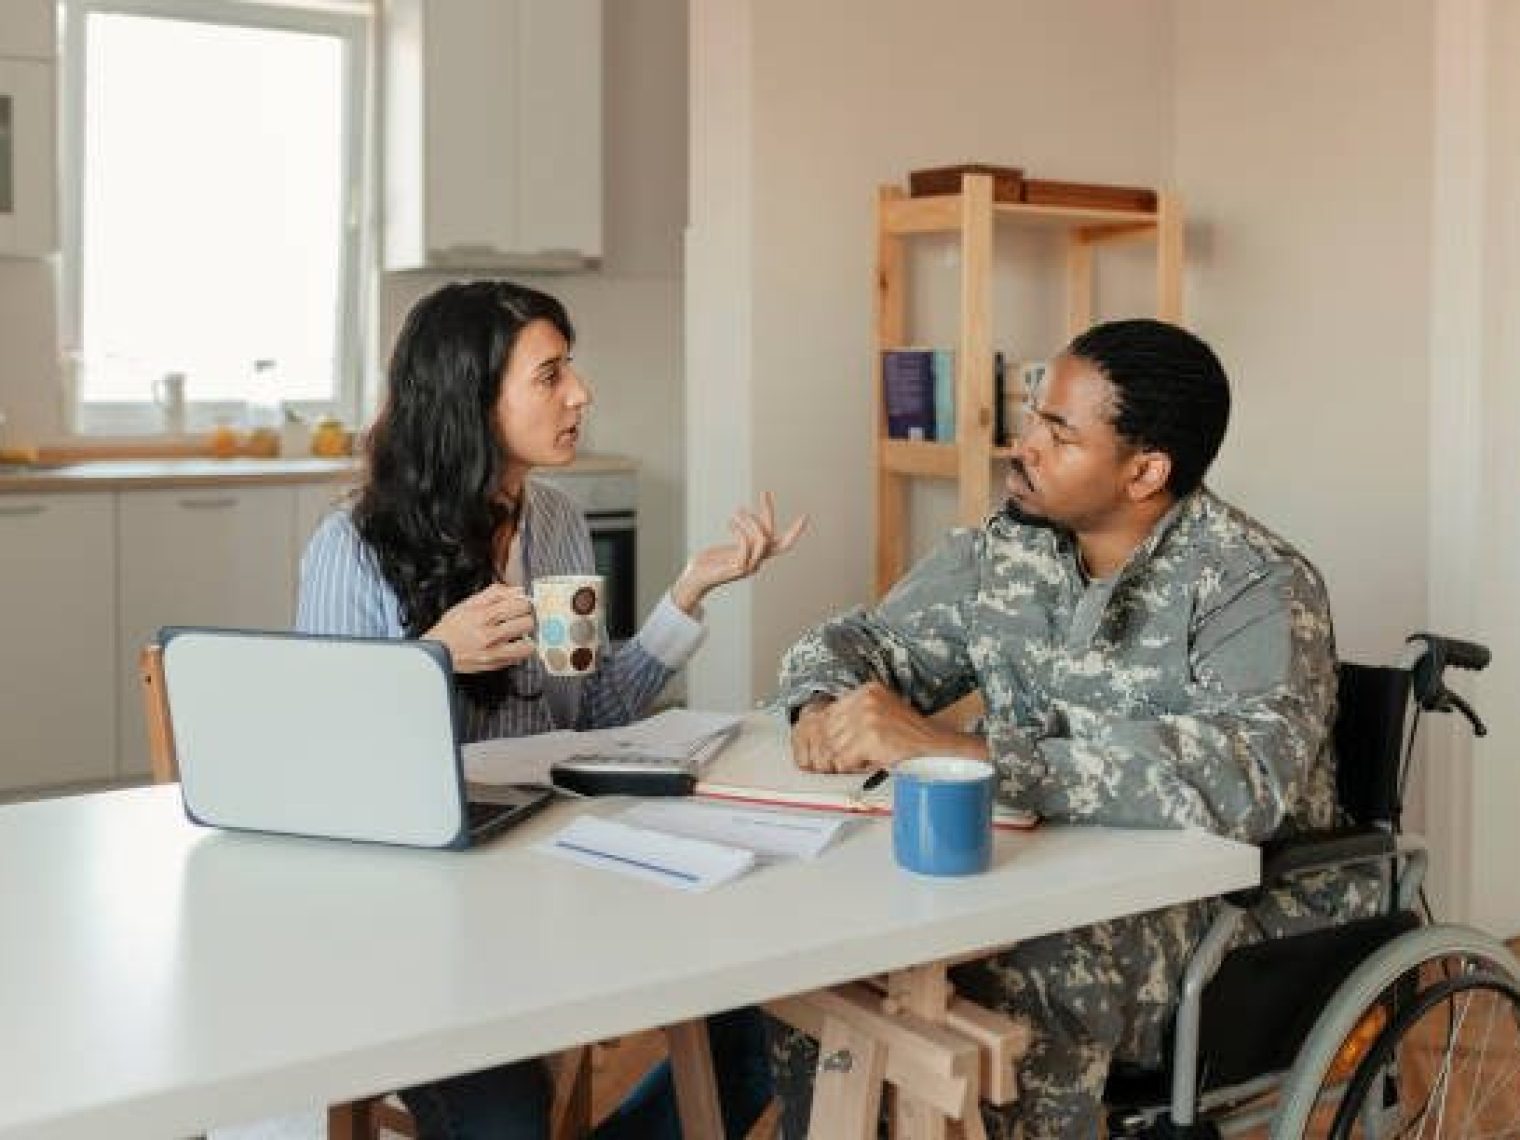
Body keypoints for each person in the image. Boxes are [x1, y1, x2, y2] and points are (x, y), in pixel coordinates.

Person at [769, 319, 1377, 1138]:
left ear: (1145, 470)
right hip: (1048, 862)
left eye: (1059, 433)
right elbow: (865, 643)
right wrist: (821, 703)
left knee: (1036, 963)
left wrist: (966, 753)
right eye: (1031, 419)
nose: (1022, 447)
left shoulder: (1253, 583)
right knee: (830, 941)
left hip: (1238, 905)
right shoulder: (1007, 551)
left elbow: (1245, 777)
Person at [296, 279, 805, 1140]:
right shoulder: (354, 548)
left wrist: (688, 594)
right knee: (509, 1123)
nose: (581, 393)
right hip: (416, 923)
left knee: (759, 1035)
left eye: (572, 368)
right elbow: (328, 774)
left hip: (561, 878)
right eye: (551, 373)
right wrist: (436, 662)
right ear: (472, 398)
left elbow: (590, 707)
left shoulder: (558, 523)